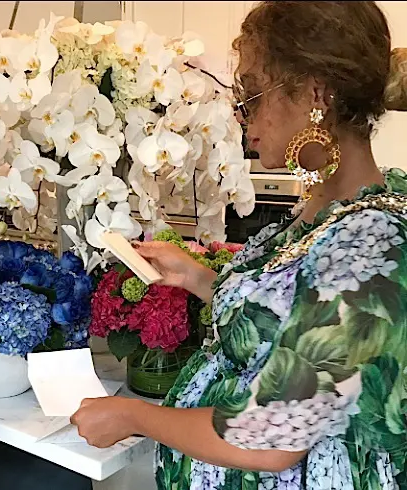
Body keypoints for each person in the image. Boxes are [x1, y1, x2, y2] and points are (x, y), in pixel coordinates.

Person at [71, 2, 407, 488]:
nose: (241, 116)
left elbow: (270, 439)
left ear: (315, 93)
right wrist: (199, 278)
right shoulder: (327, 208)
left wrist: (132, 416)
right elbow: (293, 317)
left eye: (251, 95)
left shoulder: (369, 243)